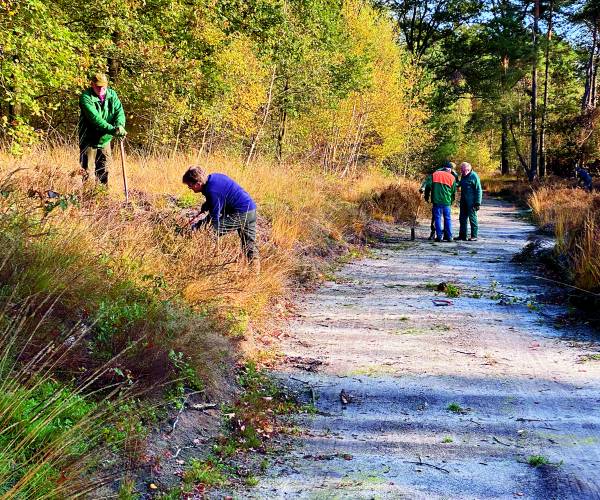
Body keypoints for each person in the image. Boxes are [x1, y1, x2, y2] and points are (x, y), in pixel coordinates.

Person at [182, 166, 259, 264]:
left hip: (241, 213)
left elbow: (214, 218)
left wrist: (202, 229)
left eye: (190, 186)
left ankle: (204, 262)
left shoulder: (212, 191)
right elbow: (220, 198)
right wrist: (207, 205)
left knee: (208, 231)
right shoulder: (214, 177)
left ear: (198, 184)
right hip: (251, 209)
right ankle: (255, 273)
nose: (190, 188)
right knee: (249, 244)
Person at [78, 73, 126, 185]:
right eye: (98, 86)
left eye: (103, 87)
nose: (101, 89)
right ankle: (86, 198)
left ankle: (102, 196)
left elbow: (119, 112)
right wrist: (113, 130)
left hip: (105, 139)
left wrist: (120, 125)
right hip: (88, 139)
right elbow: (96, 120)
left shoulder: (112, 95)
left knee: (104, 169)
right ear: (92, 85)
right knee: (87, 171)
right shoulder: (86, 97)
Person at [421, 162, 458, 240]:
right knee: (447, 218)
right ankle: (449, 237)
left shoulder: (435, 174)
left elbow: (428, 186)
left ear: (443, 168)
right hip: (447, 202)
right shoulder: (452, 177)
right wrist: (451, 201)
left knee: (437, 218)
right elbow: (453, 191)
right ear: (450, 169)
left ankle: (439, 236)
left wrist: (426, 197)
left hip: (436, 201)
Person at [455, 162, 482, 241]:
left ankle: (474, 236)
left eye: (463, 171)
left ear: (468, 169)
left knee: (472, 218)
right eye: (461, 171)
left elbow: (479, 190)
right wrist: (453, 184)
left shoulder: (474, 176)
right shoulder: (463, 176)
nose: (462, 172)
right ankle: (462, 235)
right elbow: (459, 184)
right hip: (463, 201)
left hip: (472, 202)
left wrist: (478, 202)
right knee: (462, 218)